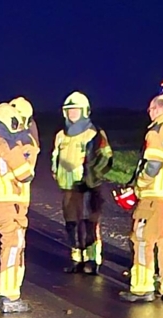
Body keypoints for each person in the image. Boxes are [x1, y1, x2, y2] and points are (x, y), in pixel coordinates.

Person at [119, 94, 163, 303]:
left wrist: (140, 184)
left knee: (142, 240)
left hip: (154, 197)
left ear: (159, 109)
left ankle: (141, 288)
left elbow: (153, 163)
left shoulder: (156, 131)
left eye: (151, 109)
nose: (149, 112)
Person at [0, 103, 38, 313]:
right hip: (8, 204)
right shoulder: (7, 145)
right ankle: (9, 296)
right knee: (11, 246)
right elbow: (25, 174)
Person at [51, 91, 114, 274]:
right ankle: (76, 259)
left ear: (85, 111)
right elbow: (55, 156)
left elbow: (106, 158)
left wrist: (92, 178)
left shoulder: (94, 133)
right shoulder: (61, 135)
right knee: (71, 224)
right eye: (69, 110)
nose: (72, 114)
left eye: (76, 110)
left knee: (89, 224)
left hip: (88, 188)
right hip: (69, 188)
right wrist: (56, 172)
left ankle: (92, 260)